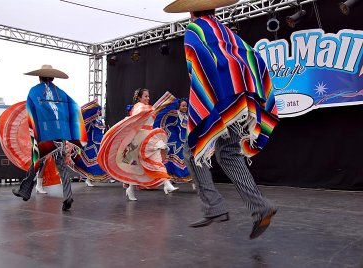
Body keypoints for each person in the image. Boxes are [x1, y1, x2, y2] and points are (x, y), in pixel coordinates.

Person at [164, 0, 280, 239]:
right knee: (228, 154)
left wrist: (206, 96)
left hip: (219, 98)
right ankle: (260, 207)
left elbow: (199, 64)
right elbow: (253, 56)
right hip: (240, 100)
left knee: (194, 150)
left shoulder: (194, 30)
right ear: (214, 10)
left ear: (191, 12)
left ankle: (213, 207)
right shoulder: (226, 31)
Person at [12, 64, 87, 211]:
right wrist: (67, 133)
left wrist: (35, 132)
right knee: (62, 168)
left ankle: (25, 191)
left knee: (37, 162)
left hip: (45, 135)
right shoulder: (61, 94)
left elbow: (32, 112)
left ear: (39, 77)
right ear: (52, 77)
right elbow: (74, 107)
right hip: (60, 136)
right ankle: (68, 196)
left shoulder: (34, 91)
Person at [97, 88, 178, 201]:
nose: (148, 98)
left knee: (156, 159)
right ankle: (130, 188)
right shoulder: (139, 107)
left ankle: (166, 183)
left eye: (148, 96)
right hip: (138, 139)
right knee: (133, 167)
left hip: (148, 138)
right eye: (145, 96)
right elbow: (138, 117)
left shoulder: (147, 108)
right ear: (139, 98)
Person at [153, 97, 191, 183]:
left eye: (186, 106)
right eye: (183, 106)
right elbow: (166, 120)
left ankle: (180, 177)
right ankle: (171, 176)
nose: (185, 107)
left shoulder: (188, 115)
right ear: (179, 107)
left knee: (183, 157)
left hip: (184, 140)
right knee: (175, 156)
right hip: (175, 140)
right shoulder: (176, 114)